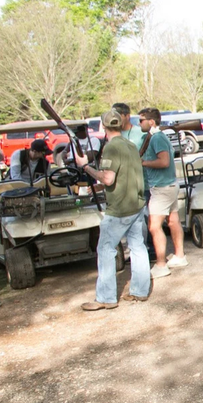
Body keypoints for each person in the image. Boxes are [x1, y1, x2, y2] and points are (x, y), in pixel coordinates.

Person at [74, 110, 150, 310]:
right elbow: (123, 176)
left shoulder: (111, 148)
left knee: (105, 250)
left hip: (120, 209)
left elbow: (108, 178)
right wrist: (102, 186)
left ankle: (106, 298)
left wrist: (85, 167)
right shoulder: (130, 145)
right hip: (137, 204)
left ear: (103, 127)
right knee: (138, 247)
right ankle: (140, 291)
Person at [138, 107, 186, 279]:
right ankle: (179, 255)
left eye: (141, 120)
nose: (139, 123)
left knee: (154, 226)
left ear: (151, 121)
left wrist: (143, 163)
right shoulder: (158, 137)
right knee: (173, 221)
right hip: (170, 185)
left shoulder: (157, 138)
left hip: (161, 188)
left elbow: (164, 162)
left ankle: (160, 264)